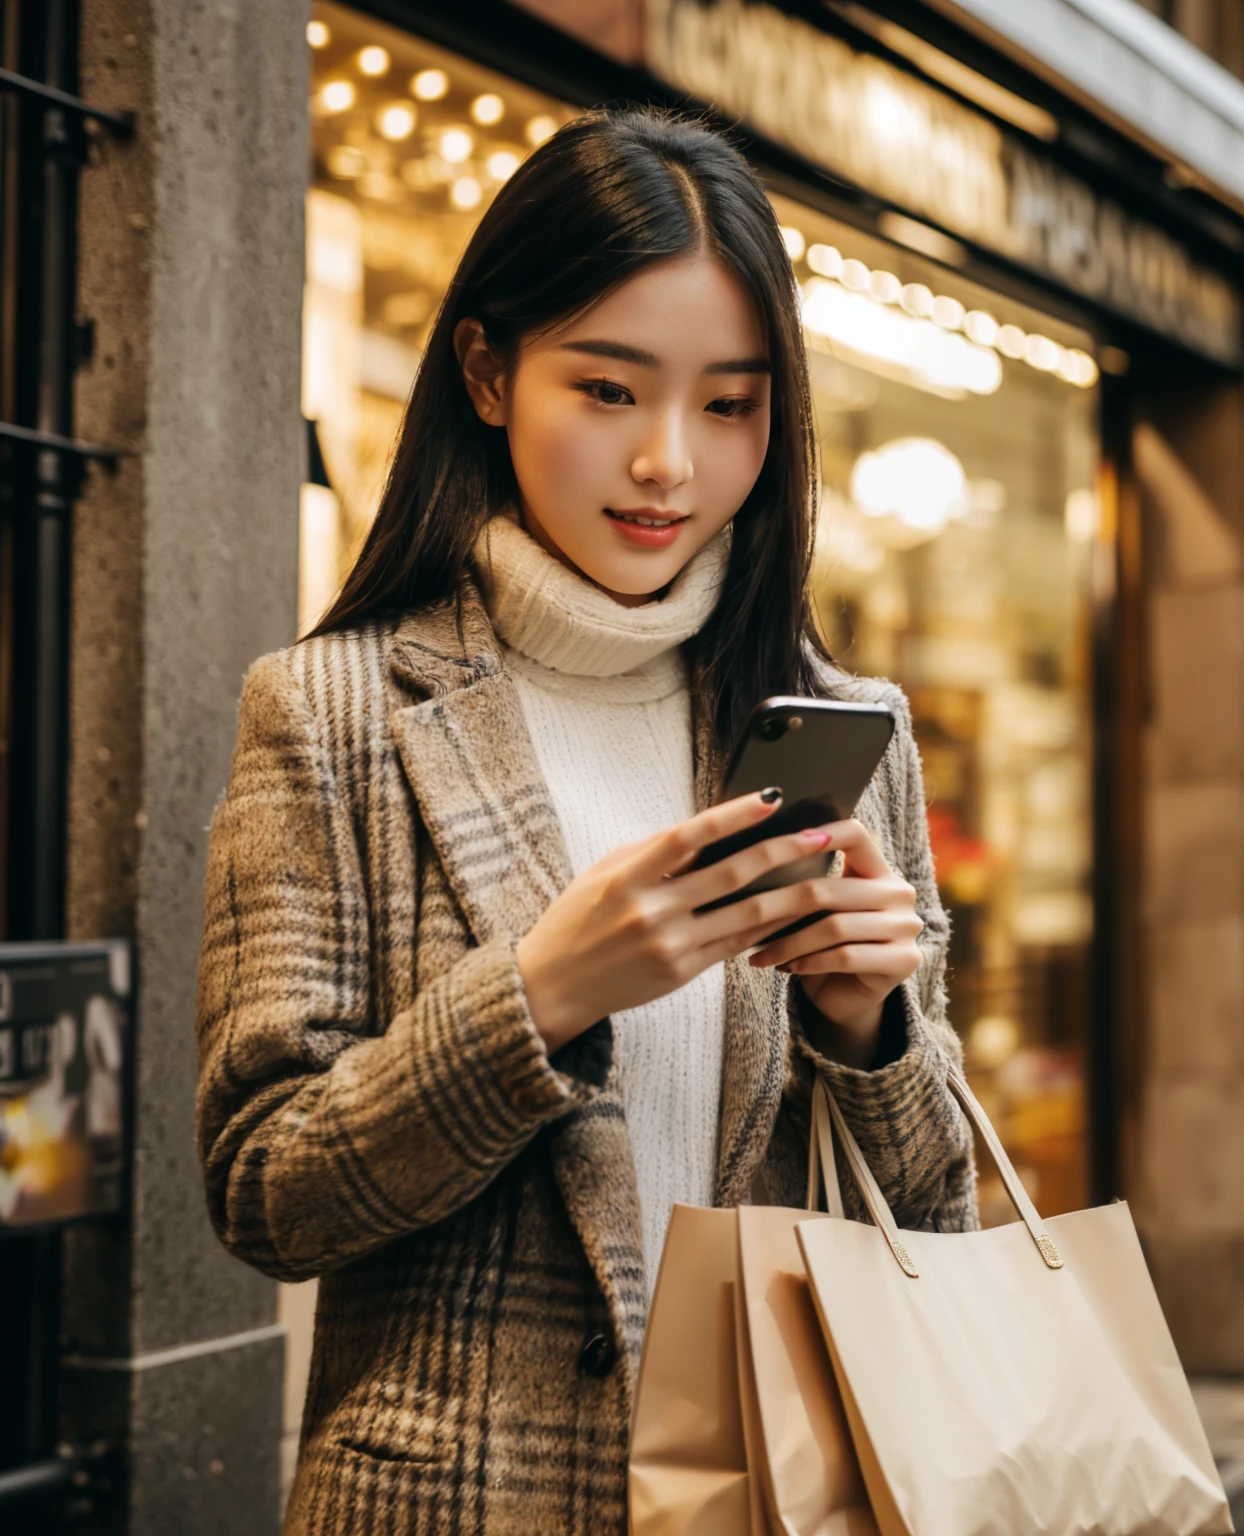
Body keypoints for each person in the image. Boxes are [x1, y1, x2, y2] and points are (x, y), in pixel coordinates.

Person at [195, 109, 975, 1536]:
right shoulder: (333, 711)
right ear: (488, 371)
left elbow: (933, 1219)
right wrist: (540, 995)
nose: (669, 462)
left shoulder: (845, 728)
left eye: (729, 406)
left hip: (784, 1491)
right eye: (610, 391)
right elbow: (266, 1192)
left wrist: (871, 1031)